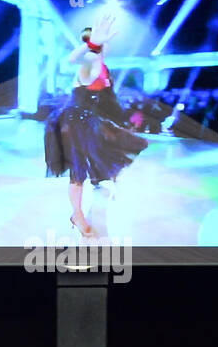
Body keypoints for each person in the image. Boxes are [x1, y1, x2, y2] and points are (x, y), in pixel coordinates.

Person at [44, 13, 148, 237]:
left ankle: (104, 181)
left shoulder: (102, 66)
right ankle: (77, 215)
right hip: (74, 123)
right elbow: (72, 60)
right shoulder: (90, 60)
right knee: (77, 172)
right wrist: (93, 44)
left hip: (90, 122)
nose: (107, 45)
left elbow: (107, 100)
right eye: (103, 41)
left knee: (109, 151)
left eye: (106, 41)